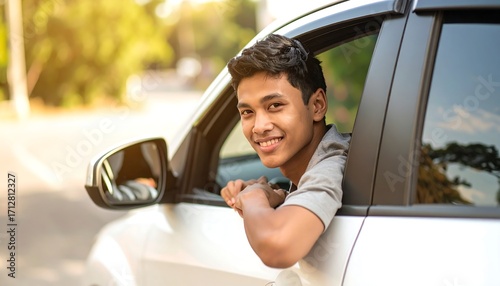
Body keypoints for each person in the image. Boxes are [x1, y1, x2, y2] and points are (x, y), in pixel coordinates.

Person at [221, 34, 350, 268]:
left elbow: (277, 247)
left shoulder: (334, 165)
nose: (259, 127)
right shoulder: (311, 167)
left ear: (317, 106)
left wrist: (254, 197)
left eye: (275, 106)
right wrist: (277, 193)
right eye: (247, 112)